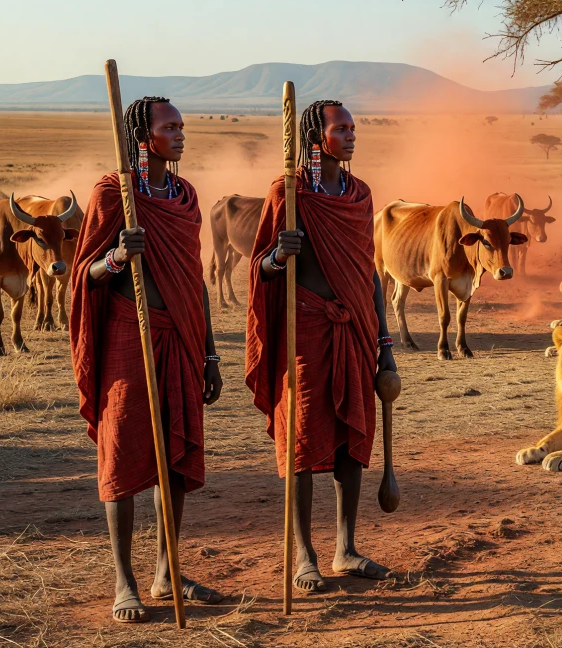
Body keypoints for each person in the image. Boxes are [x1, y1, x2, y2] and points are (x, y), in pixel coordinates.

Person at [70, 96, 225, 623]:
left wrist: (209, 352)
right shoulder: (113, 192)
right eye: (170, 127)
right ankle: (124, 582)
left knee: (174, 463)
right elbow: (84, 275)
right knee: (121, 454)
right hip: (127, 335)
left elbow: (194, 278)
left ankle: (166, 570)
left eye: (182, 126)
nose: (180, 134)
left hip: (180, 338)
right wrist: (116, 256)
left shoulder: (183, 195)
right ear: (144, 136)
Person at [245, 100, 398, 593]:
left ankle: (346, 549)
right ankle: (304, 555)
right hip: (304, 334)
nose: (352, 136)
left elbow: (368, 271)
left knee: (351, 437)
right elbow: (260, 268)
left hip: (354, 329)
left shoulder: (359, 194)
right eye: (341, 129)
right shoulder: (285, 192)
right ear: (315, 136)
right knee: (302, 442)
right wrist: (276, 256)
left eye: (354, 127)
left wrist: (385, 344)